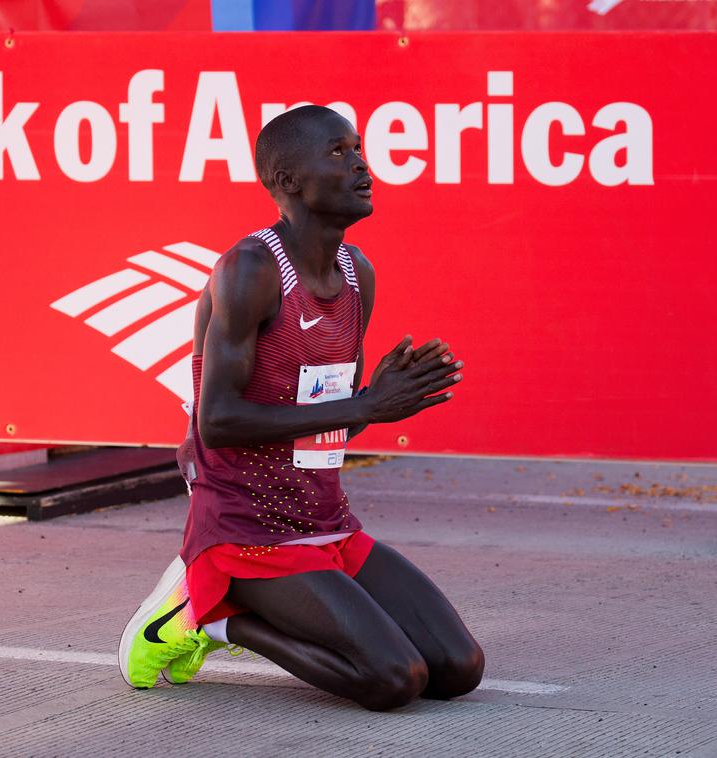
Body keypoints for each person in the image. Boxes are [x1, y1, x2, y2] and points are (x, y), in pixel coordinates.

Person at [118, 105, 484, 711]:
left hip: (325, 521)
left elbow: (331, 424)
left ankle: (226, 609)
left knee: (457, 669)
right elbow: (220, 422)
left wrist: (381, 405)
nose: (363, 166)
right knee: (394, 680)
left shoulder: (356, 272)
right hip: (245, 527)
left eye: (359, 148)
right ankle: (211, 619)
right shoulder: (250, 269)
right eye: (339, 153)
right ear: (288, 182)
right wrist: (364, 403)